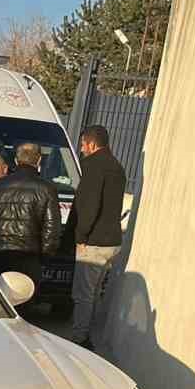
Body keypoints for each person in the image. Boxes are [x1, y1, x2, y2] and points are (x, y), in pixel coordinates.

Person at [0, 141, 60, 291]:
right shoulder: (47, 189)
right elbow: (51, 230)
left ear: (16, 161)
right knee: (24, 302)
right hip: (29, 258)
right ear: (39, 161)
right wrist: (44, 258)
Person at [68, 124, 127, 348]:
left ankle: (79, 340)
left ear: (92, 144)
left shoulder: (93, 166)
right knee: (93, 294)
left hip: (93, 242)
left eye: (83, 144)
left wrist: (81, 236)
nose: (81, 149)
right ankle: (86, 334)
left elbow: (90, 205)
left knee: (83, 295)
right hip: (112, 241)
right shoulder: (117, 167)